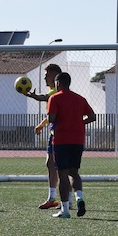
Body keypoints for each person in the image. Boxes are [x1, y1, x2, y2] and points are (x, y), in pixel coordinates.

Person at [45, 72, 96, 218]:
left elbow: (52, 118)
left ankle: (65, 210)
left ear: (58, 83)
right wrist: (79, 122)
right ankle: (79, 198)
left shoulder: (54, 98)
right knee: (74, 172)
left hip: (62, 139)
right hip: (78, 139)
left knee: (62, 174)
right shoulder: (80, 98)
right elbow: (92, 117)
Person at [25, 63, 62, 210]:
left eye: (47, 75)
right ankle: (57, 198)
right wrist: (41, 125)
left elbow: (45, 97)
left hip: (59, 134)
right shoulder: (54, 92)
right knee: (52, 165)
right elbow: (50, 115)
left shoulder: (55, 93)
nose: (45, 77)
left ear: (55, 76)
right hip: (54, 133)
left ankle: (58, 198)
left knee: (58, 166)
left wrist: (34, 96)